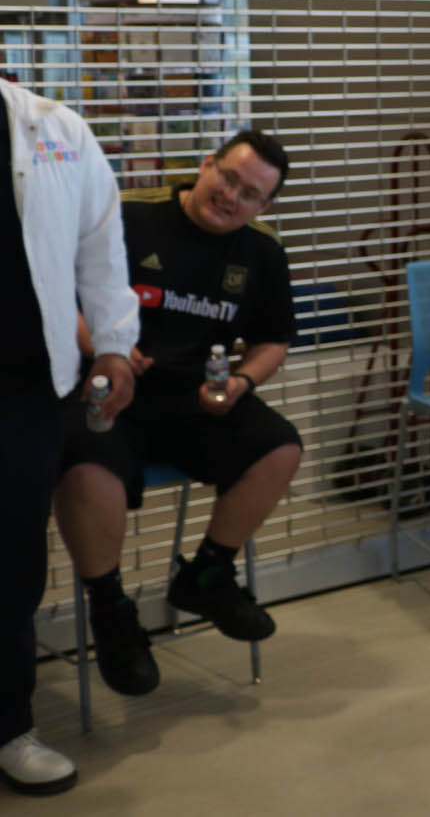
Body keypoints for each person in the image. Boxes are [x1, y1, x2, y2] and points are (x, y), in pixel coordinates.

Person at [55, 130, 301, 701]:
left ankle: (208, 575)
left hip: (194, 399)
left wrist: (240, 382)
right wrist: (104, 348)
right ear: (206, 165)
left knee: (279, 447)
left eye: (250, 194)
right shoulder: (128, 214)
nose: (231, 196)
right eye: (228, 178)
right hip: (107, 383)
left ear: (265, 207)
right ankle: (111, 611)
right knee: (86, 466)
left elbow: (273, 342)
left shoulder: (262, 250)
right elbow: (55, 292)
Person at [0, 80, 138, 798]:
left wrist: (114, 345)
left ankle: (10, 726)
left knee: (13, 566)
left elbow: (100, 243)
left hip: (23, 387)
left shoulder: (54, 128)